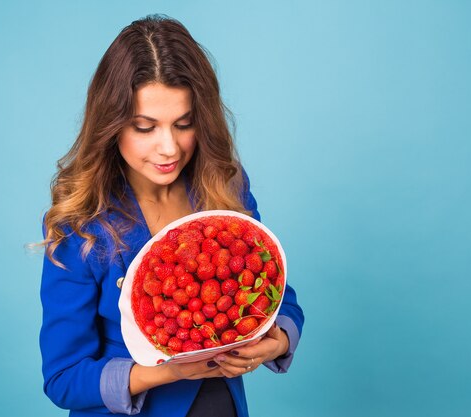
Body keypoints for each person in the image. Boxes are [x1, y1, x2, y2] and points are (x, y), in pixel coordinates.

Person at [39, 15, 304, 417]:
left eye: (184, 124)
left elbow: (277, 292)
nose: (169, 148)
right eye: (145, 127)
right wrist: (165, 371)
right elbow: (63, 378)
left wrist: (278, 339)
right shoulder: (80, 226)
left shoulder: (224, 185)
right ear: (110, 126)